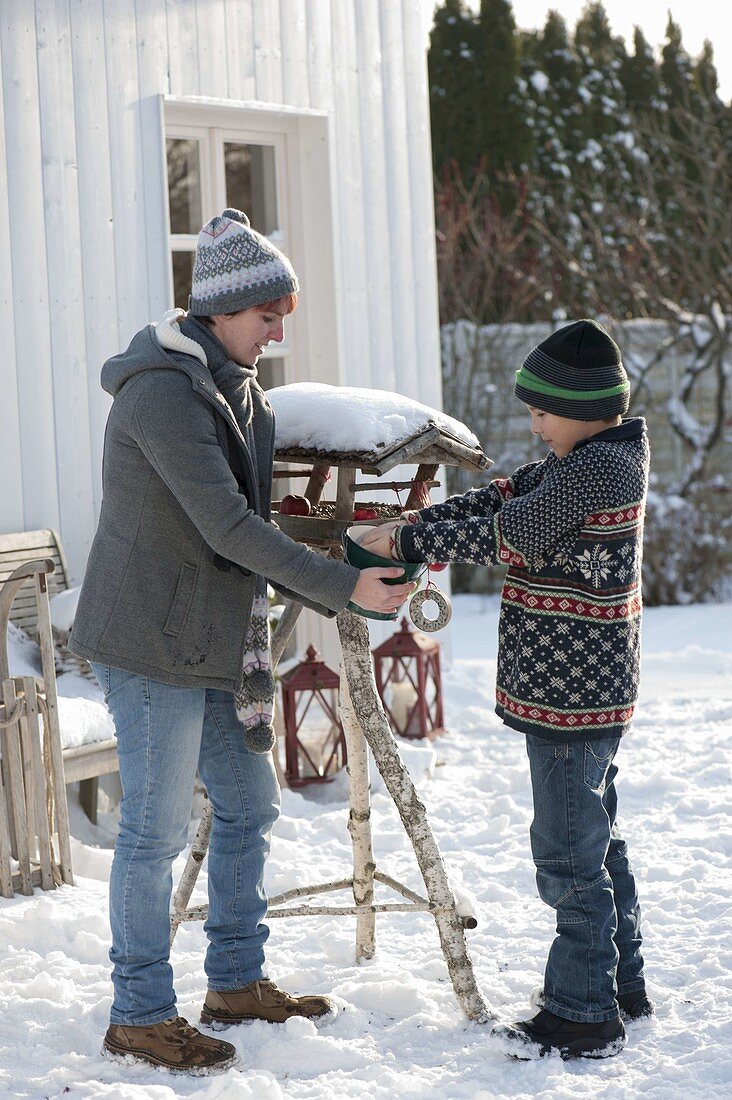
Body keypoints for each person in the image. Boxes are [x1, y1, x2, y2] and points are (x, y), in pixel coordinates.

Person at [69, 208, 415, 1076]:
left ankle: (234, 980)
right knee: (150, 832)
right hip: (152, 639)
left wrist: (354, 543)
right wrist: (343, 587)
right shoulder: (160, 392)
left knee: (250, 805)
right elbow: (225, 524)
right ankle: (140, 1013)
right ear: (221, 311)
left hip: (218, 640)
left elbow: (257, 515)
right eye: (269, 313)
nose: (280, 327)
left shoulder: (240, 389)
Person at [363, 319, 653, 1060]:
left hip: (574, 697)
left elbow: (513, 533)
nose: (534, 424)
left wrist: (401, 544)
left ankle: (582, 1009)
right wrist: (417, 521)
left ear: (586, 407)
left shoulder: (598, 471)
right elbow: (497, 499)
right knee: (597, 835)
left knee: (567, 852)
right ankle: (621, 985)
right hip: (582, 689)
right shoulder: (584, 460)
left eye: (542, 411)